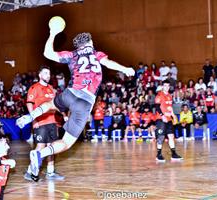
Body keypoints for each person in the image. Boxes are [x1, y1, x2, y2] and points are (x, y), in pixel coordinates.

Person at [16, 22, 135, 180]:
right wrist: (125, 69)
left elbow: (48, 54)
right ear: (90, 43)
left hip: (71, 93)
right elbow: (108, 63)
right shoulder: (96, 54)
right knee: (66, 143)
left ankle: (29, 117)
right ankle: (40, 153)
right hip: (85, 102)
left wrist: (52, 33)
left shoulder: (72, 55)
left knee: (51, 104)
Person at [23, 66, 64, 182]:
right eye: (45, 73)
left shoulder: (51, 88)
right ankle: (30, 171)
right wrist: (34, 119)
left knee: (52, 147)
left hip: (52, 122)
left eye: (49, 73)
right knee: (40, 146)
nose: (48, 75)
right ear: (40, 75)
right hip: (40, 122)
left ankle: (50, 172)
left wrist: (64, 115)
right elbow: (29, 104)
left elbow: (55, 104)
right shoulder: (34, 88)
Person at [154, 80, 182, 162]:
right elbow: (157, 108)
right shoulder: (159, 95)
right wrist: (162, 116)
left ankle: (174, 154)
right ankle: (158, 154)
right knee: (161, 137)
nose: (167, 87)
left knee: (171, 136)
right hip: (161, 119)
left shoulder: (170, 96)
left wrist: (173, 115)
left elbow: (170, 107)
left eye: (168, 86)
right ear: (162, 86)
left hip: (169, 118)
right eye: (165, 85)